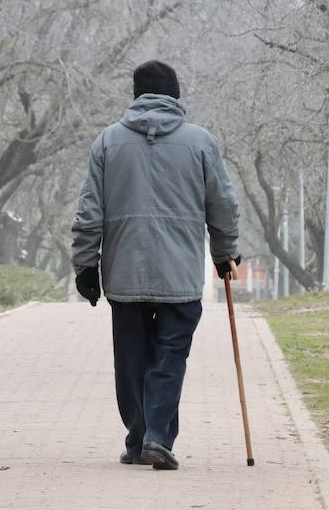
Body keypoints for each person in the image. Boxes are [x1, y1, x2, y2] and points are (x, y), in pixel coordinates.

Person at [70, 59, 241, 471]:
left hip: (123, 271)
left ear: (135, 95)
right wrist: (225, 253)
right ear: (176, 95)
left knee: (130, 357)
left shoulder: (108, 142)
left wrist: (85, 265)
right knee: (169, 356)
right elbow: (223, 205)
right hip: (180, 273)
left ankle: (139, 438)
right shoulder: (200, 142)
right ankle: (156, 438)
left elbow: (89, 211)